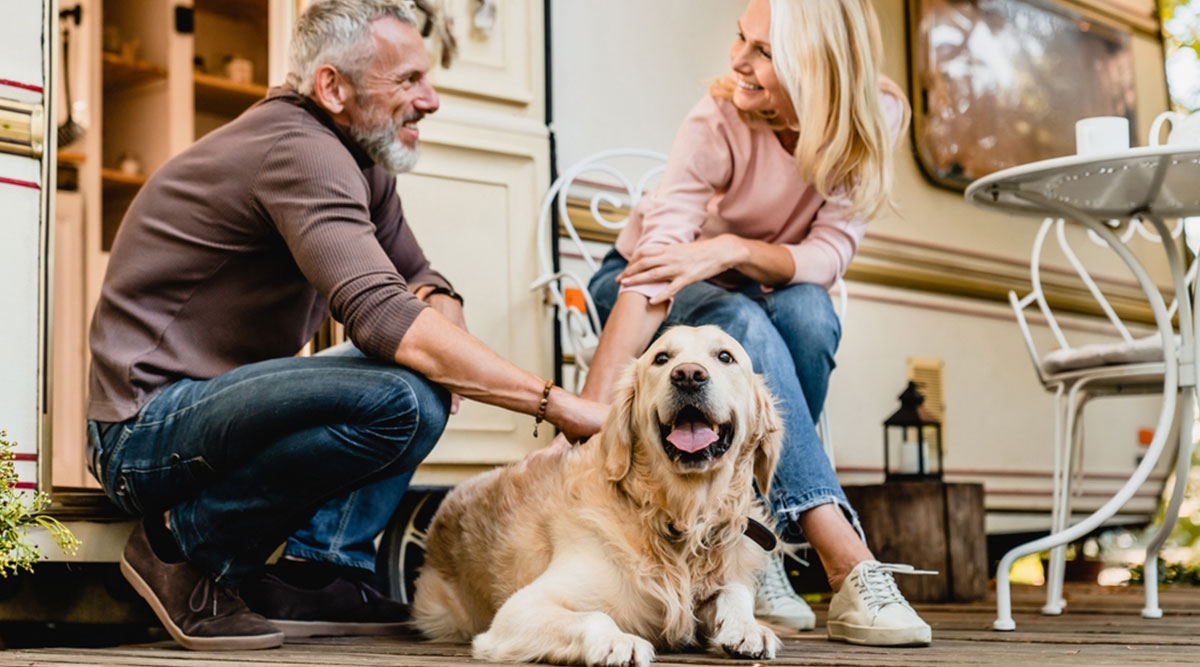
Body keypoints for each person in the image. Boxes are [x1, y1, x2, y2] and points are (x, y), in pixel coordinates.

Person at [84, 0, 607, 651]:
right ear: (332, 87)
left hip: (207, 420)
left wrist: (442, 317)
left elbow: (419, 276)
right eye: (409, 80)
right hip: (141, 435)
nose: (431, 100)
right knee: (403, 393)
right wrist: (558, 404)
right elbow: (384, 316)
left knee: (422, 371)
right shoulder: (298, 150)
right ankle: (182, 547)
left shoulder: (358, 160)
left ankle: (317, 572)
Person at [577, 0, 932, 647]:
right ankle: (848, 563)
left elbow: (827, 255)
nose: (737, 59)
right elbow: (655, 268)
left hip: (756, 283)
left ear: (817, 66)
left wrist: (730, 249)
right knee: (740, 321)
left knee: (811, 313)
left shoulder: (873, 111)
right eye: (742, 37)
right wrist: (587, 415)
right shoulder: (717, 118)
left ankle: (747, 532)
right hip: (642, 283)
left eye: (764, 51)